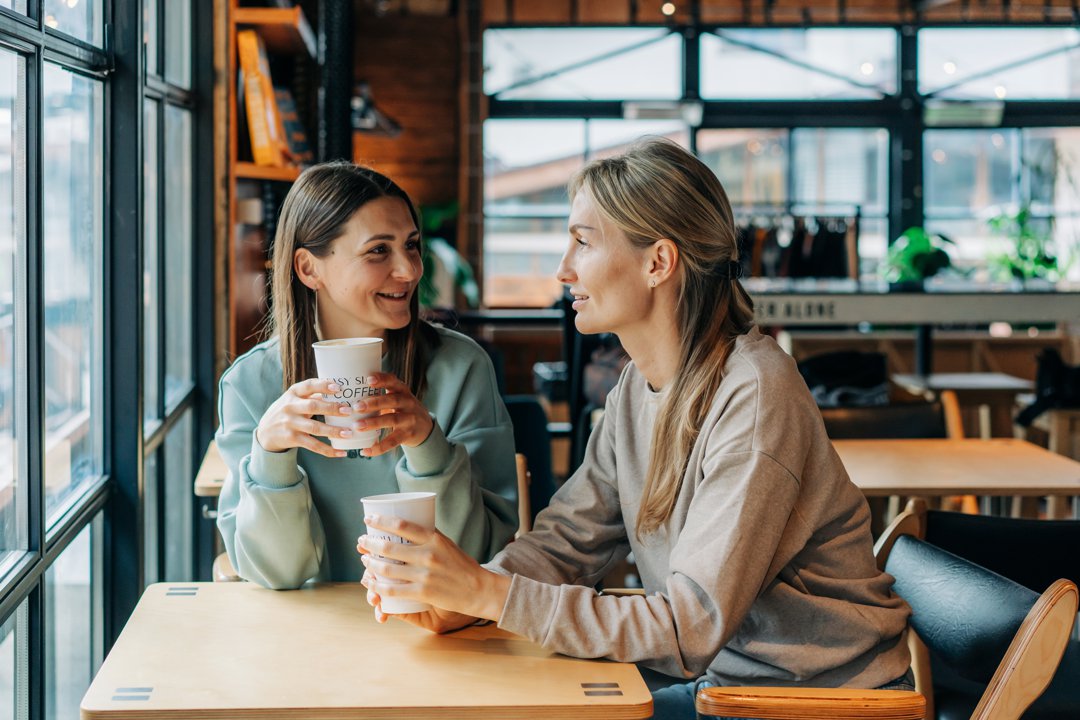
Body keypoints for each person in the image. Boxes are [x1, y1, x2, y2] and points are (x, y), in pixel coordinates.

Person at [356, 138, 913, 719]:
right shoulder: (636, 388)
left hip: (820, 705)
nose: (563, 269)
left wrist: (486, 594)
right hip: (728, 687)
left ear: (658, 262)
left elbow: (687, 629)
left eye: (582, 242)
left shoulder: (754, 394)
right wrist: (465, 597)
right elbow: (566, 541)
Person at [216, 161, 518, 590]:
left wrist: (427, 443)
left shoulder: (461, 368)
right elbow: (277, 576)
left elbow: (478, 557)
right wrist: (271, 456)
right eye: (379, 250)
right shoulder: (250, 385)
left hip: (435, 633)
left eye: (411, 245)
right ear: (308, 269)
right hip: (306, 639)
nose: (410, 270)